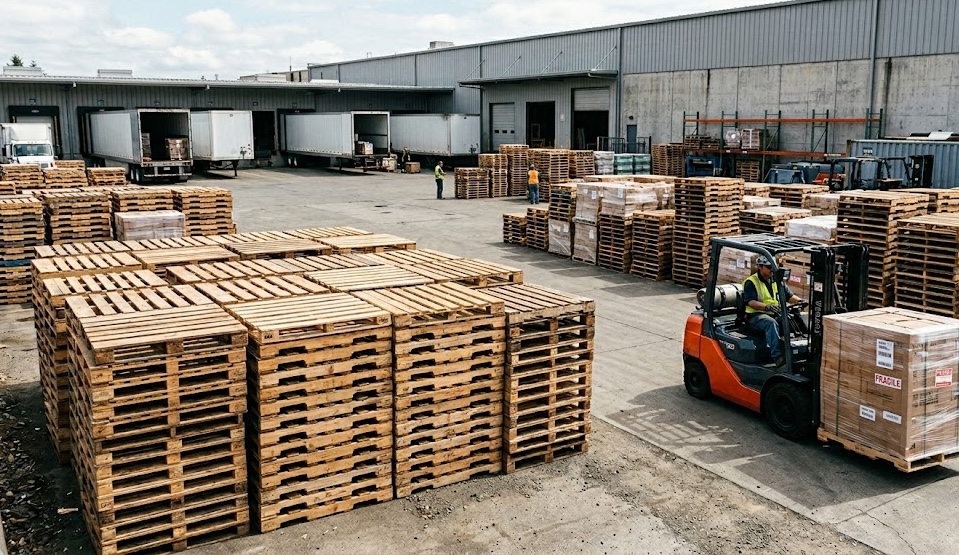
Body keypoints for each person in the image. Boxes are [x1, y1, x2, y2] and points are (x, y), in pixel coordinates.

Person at [743, 256, 801, 367]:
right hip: (755, 315)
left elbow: (790, 296)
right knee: (770, 323)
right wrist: (767, 307)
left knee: (791, 318)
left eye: (773, 267)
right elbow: (751, 302)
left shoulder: (776, 281)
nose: (772, 270)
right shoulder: (751, 282)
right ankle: (777, 357)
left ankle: (794, 349)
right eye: (769, 267)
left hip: (774, 313)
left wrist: (801, 302)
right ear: (760, 267)